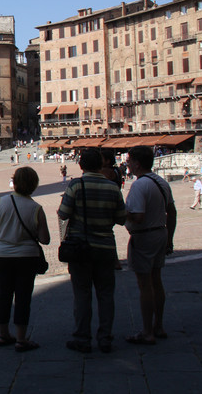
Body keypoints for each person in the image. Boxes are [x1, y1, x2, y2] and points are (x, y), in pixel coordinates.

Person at [57, 148, 126, 354]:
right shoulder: (113, 188)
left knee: (82, 294)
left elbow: (63, 213)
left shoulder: (76, 185)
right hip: (105, 248)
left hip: (81, 248)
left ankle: (82, 339)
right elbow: (122, 219)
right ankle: (105, 338)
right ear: (100, 165)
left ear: (81, 166)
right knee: (106, 294)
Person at [0, 166, 50, 352]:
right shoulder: (36, 208)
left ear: (14, 182)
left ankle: (3, 334)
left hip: (1, 256)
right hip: (27, 257)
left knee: (3, 295)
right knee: (23, 297)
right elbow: (45, 239)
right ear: (34, 185)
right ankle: (21, 339)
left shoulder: (1, 203)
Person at [124, 145, 177, 345]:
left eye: (129, 160)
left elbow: (138, 217)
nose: (126, 163)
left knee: (145, 285)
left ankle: (147, 332)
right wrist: (169, 238)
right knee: (157, 281)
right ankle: (159, 326)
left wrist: (120, 212)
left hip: (144, 237)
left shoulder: (139, 186)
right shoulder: (161, 182)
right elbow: (172, 212)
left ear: (137, 163)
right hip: (160, 233)